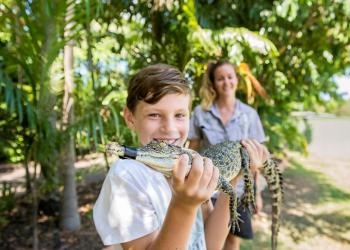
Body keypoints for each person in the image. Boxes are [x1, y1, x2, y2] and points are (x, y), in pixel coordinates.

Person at [93, 63, 269, 250]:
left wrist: (235, 176)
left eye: (179, 115)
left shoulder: (190, 161)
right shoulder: (126, 176)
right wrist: (184, 205)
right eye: (154, 115)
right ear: (130, 118)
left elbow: (210, 245)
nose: (169, 128)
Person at [188, 60, 268, 250]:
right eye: (220, 78)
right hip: (209, 188)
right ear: (214, 83)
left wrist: (256, 194)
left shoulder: (249, 115)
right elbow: (193, 149)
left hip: (240, 190)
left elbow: (256, 158)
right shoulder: (201, 113)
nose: (226, 82)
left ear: (236, 80)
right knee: (208, 241)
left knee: (232, 240)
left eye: (230, 77)